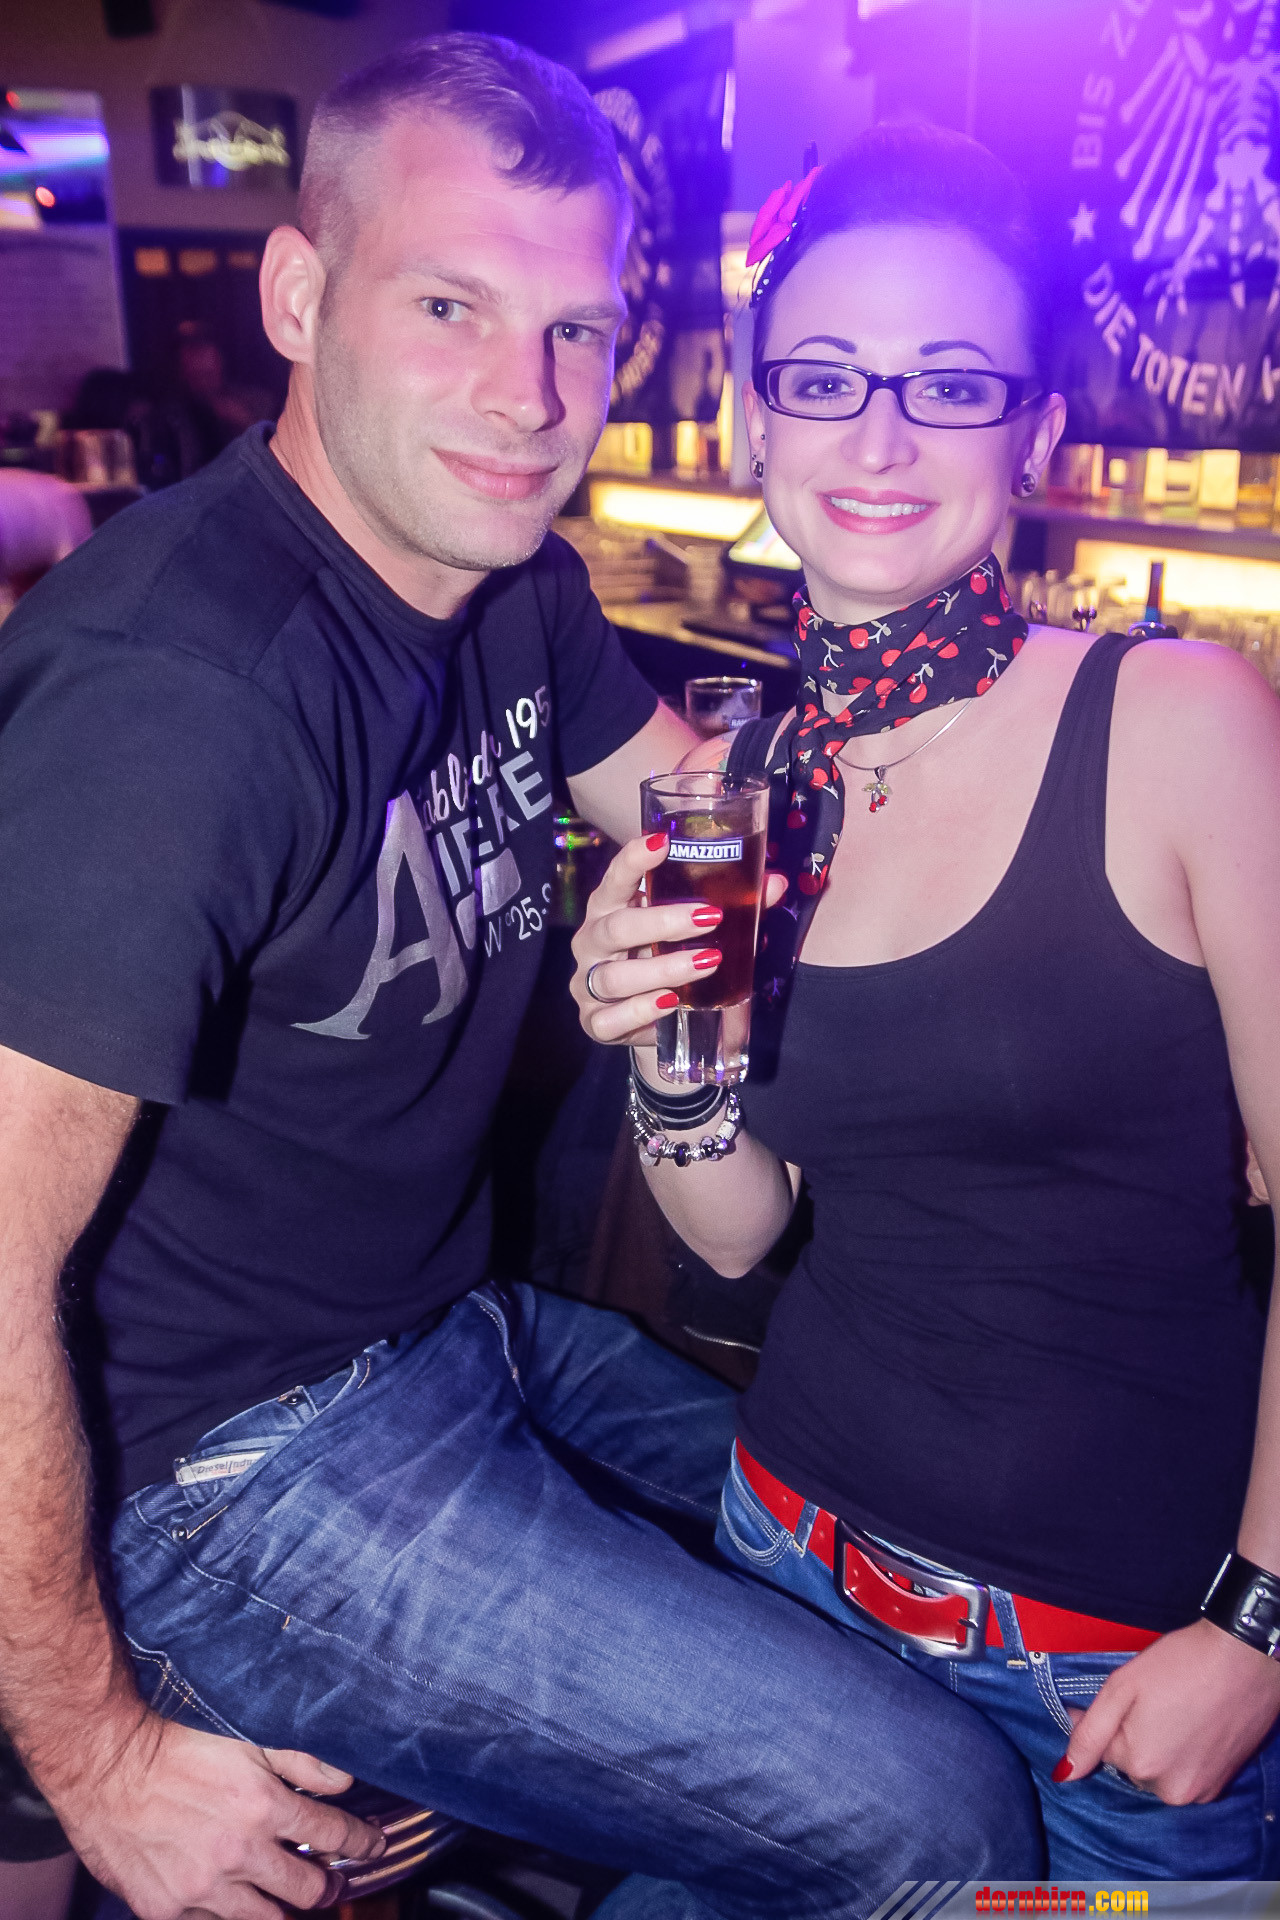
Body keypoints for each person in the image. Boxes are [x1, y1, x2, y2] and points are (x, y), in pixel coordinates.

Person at [0, 43, 1041, 1920]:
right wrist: (99, 1762)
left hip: (446, 1334)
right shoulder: (178, 698)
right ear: (299, 297)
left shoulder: (509, 588)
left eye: (578, 330)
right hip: (219, 1476)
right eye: (450, 307)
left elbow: (725, 817)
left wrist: (1114, 913)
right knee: (939, 1824)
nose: (530, 395)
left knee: (944, 1572)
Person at [572, 121, 1280, 1881]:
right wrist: (668, 1061)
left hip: (1112, 1687)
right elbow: (739, 1237)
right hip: (784, 1589)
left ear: (1034, 436)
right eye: (825, 378)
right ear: (755, 421)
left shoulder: (1180, 726)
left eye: (952, 385)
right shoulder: (747, 779)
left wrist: (1260, 1624)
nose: (879, 438)